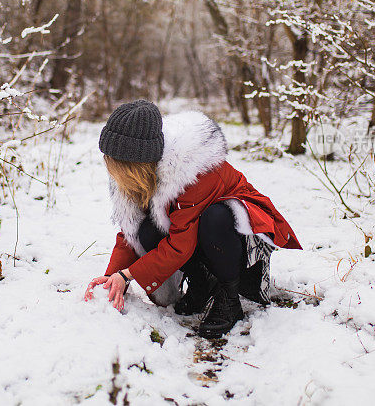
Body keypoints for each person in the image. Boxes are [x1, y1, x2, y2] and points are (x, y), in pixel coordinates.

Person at [84, 100, 302, 338]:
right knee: (146, 231)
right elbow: (130, 230)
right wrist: (113, 275)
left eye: (117, 163)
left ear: (136, 162)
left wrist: (128, 274)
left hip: (240, 234)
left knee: (214, 218)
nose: (111, 169)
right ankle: (202, 283)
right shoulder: (140, 176)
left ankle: (229, 298)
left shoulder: (192, 170)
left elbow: (180, 245)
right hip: (194, 231)